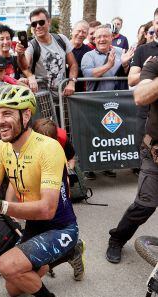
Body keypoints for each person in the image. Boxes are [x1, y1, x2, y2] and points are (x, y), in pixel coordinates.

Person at [0, 83, 83, 297]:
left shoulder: (48, 147)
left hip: (61, 227)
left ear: (26, 115)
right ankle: (68, 254)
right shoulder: (3, 146)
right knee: (13, 288)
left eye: (7, 114)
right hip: (35, 226)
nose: (0, 121)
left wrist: (2, 206)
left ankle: (70, 247)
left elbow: (48, 210)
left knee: (7, 265)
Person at [106, 56, 158, 264]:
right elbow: (140, 95)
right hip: (154, 154)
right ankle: (117, 238)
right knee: (145, 206)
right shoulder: (154, 63)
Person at [81, 25, 134, 179]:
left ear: (112, 38)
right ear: (94, 39)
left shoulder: (120, 52)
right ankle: (89, 167)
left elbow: (128, 74)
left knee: (111, 135)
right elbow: (89, 74)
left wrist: (125, 64)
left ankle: (107, 166)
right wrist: (108, 65)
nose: (102, 39)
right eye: (99, 37)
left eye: (105, 36)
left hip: (115, 101)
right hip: (94, 101)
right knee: (92, 134)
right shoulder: (88, 56)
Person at [16, 8, 78, 97]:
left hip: (64, 96)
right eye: (34, 24)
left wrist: (72, 83)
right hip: (43, 100)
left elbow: (73, 64)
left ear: (49, 22)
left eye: (41, 22)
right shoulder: (31, 45)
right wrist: (20, 54)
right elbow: (25, 66)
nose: (37, 26)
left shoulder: (61, 39)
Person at [128, 10, 158, 167]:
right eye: (157, 23)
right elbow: (131, 79)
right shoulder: (143, 50)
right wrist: (147, 70)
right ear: (153, 24)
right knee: (146, 160)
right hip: (145, 116)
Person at [70, 20, 92, 92]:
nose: (80, 34)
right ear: (72, 31)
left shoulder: (89, 51)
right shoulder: (62, 47)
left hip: (79, 93)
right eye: (78, 31)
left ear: (87, 35)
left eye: (84, 32)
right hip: (60, 90)